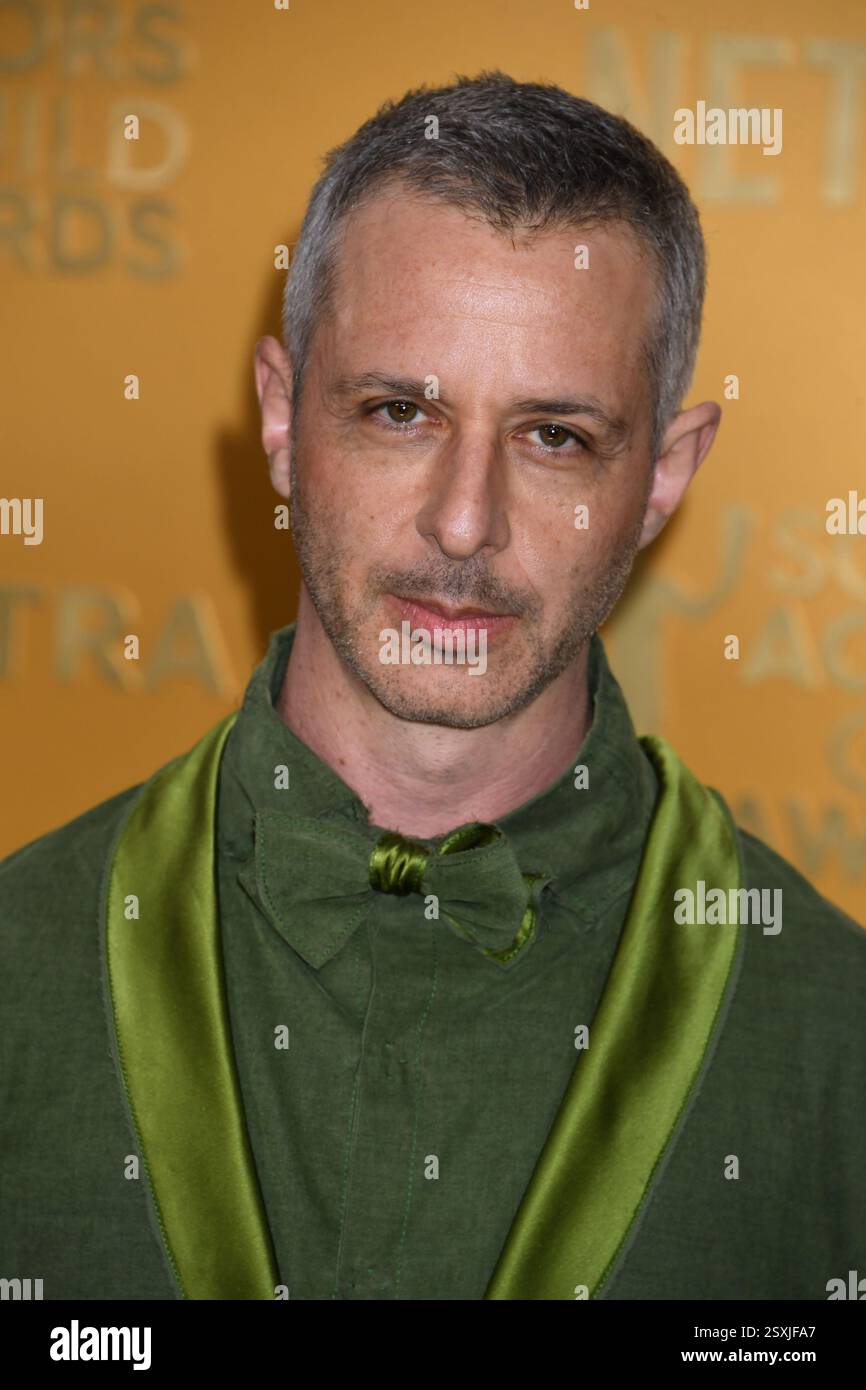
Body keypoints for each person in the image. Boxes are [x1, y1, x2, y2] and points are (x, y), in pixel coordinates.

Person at [1, 71, 864, 1303]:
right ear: (282, 419)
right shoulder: (15, 970)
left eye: (553, 434)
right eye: (398, 410)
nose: (465, 524)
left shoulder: (838, 1040)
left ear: (664, 476)